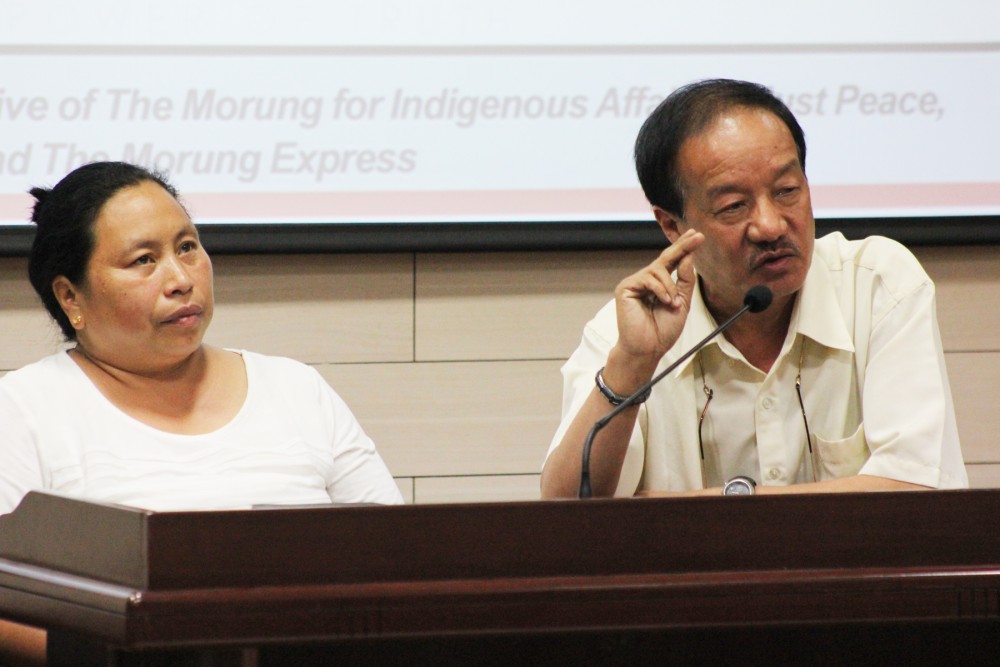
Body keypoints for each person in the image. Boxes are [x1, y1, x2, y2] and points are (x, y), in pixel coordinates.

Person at [0, 161, 402, 665]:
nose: (180, 279)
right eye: (144, 260)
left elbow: (397, 557)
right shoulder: (22, 409)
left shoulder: (295, 388)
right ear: (70, 297)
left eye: (187, 248)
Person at [541, 78, 968, 499]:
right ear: (673, 225)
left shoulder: (877, 286)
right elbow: (566, 516)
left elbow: (918, 491)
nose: (770, 225)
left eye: (787, 191)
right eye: (734, 206)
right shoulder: (630, 333)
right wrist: (633, 366)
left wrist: (707, 503)